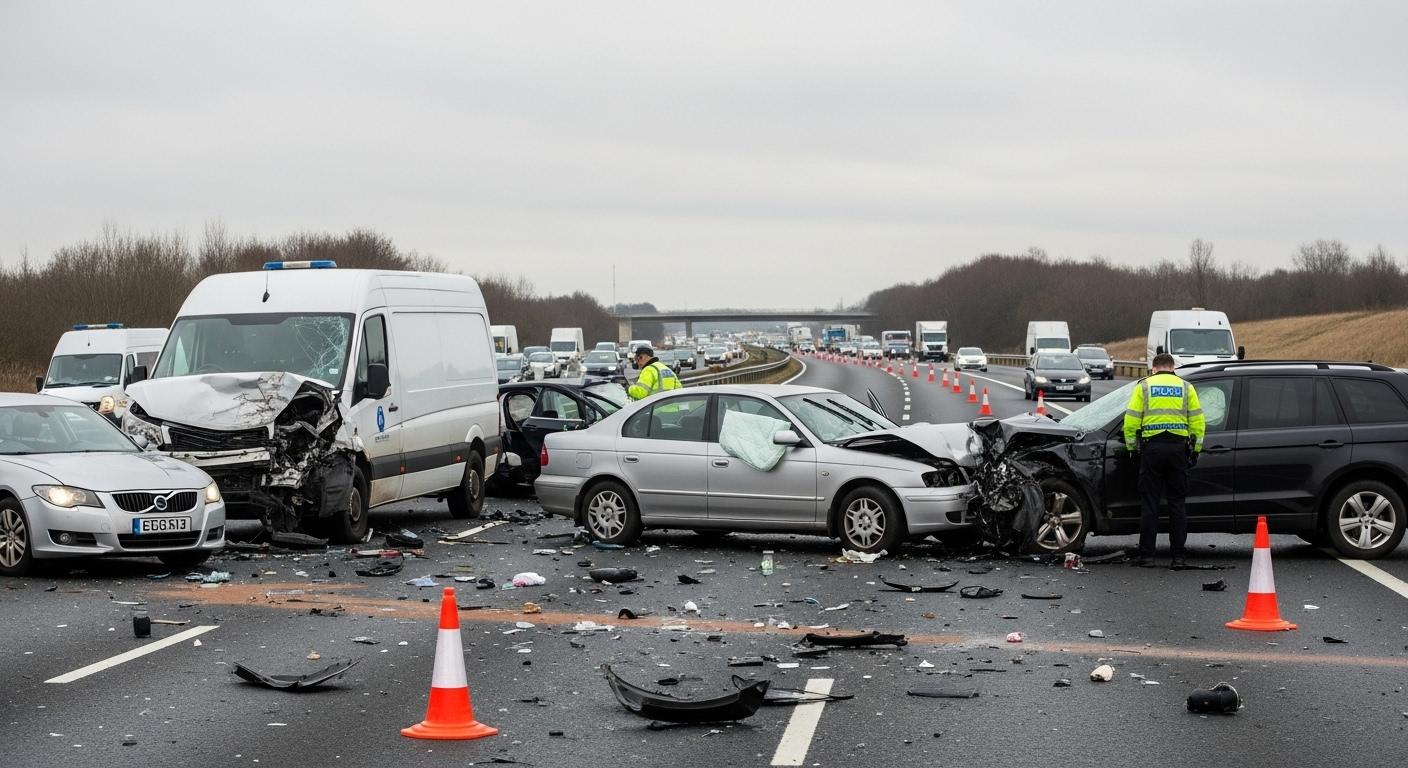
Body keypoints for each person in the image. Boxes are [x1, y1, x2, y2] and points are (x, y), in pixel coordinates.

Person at [1122, 353, 1205, 569]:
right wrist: (1195, 450)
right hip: (1178, 450)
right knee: (1177, 504)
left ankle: (1147, 556)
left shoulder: (1144, 387)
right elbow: (1198, 422)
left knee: (1150, 503)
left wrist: (1132, 447)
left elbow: (1131, 421)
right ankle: (1178, 558)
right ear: (1172, 367)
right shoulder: (1186, 387)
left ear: (1154, 368)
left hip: (1152, 449)